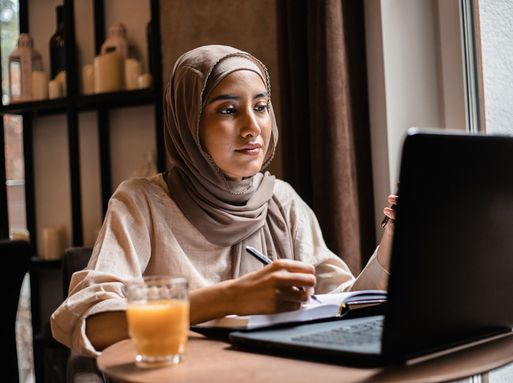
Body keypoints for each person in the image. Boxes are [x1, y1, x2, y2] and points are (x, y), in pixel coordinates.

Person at [51, 45, 396, 357]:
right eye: (228, 110)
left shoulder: (281, 201)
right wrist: (230, 298)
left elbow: (345, 303)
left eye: (261, 107)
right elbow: (92, 323)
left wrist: (393, 239)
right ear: (190, 123)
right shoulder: (142, 203)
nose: (253, 127)